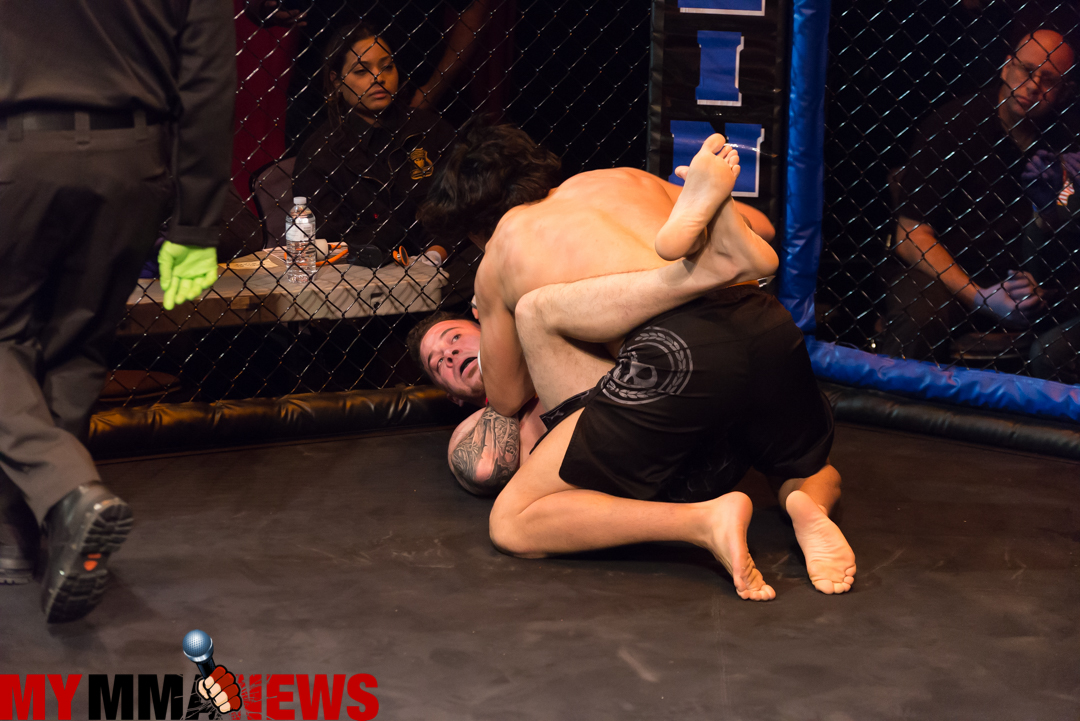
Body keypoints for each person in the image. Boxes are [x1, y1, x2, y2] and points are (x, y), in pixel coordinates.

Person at [420, 124, 855, 600]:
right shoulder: (623, 178)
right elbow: (763, 226)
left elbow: (506, 397)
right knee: (803, 464)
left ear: (472, 229)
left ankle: (703, 521)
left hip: (675, 352)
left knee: (512, 521)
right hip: (766, 325)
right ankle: (806, 505)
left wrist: (499, 319)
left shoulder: (500, 252)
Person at [0, 0, 234, 621]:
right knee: (77, 345)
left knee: (10, 340)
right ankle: (27, 535)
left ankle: (66, 493)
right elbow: (208, 80)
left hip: (17, 151)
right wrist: (196, 223)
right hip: (134, 162)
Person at [882, 29, 1080, 383]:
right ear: (1006, 68)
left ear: (1064, 90)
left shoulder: (1065, 139)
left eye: (1049, 79)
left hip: (1035, 277)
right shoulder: (955, 124)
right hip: (952, 273)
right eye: (1026, 70)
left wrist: (1042, 281)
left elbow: (1065, 236)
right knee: (920, 316)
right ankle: (892, 406)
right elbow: (910, 235)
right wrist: (981, 297)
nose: (1033, 85)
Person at [293, 22, 458, 267]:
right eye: (361, 71)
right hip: (358, 274)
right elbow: (329, 243)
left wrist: (435, 254)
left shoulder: (432, 130)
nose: (378, 78)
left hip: (442, 265)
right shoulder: (319, 154)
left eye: (387, 67)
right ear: (336, 81)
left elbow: (462, 212)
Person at [407, 312, 547, 495]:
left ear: (488, 331)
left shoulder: (553, 348)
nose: (449, 354)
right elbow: (485, 470)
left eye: (455, 337)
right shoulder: (470, 430)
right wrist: (505, 384)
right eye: (438, 362)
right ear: (454, 397)